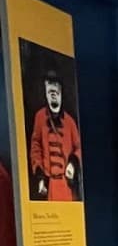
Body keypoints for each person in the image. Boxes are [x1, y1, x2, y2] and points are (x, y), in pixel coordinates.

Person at [29, 70, 82, 201]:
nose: (53, 95)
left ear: (61, 94)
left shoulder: (70, 122)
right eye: (50, 92)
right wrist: (40, 177)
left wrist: (73, 163)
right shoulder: (40, 117)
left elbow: (79, 147)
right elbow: (36, 147)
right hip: (49, 187)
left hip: (67, 187)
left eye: (56, 92)